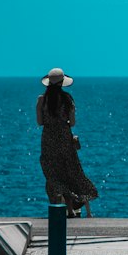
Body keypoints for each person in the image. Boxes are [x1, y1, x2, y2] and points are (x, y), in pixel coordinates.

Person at [36, 66, 98, 218]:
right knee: (69, 169)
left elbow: (39, 121)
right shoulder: (67, 99)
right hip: (64, 137)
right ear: (62, 82)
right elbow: (73, 123)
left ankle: (68, 208)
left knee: (53, 172)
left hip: (49, 138)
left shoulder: (41, 100)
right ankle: (73, 207)